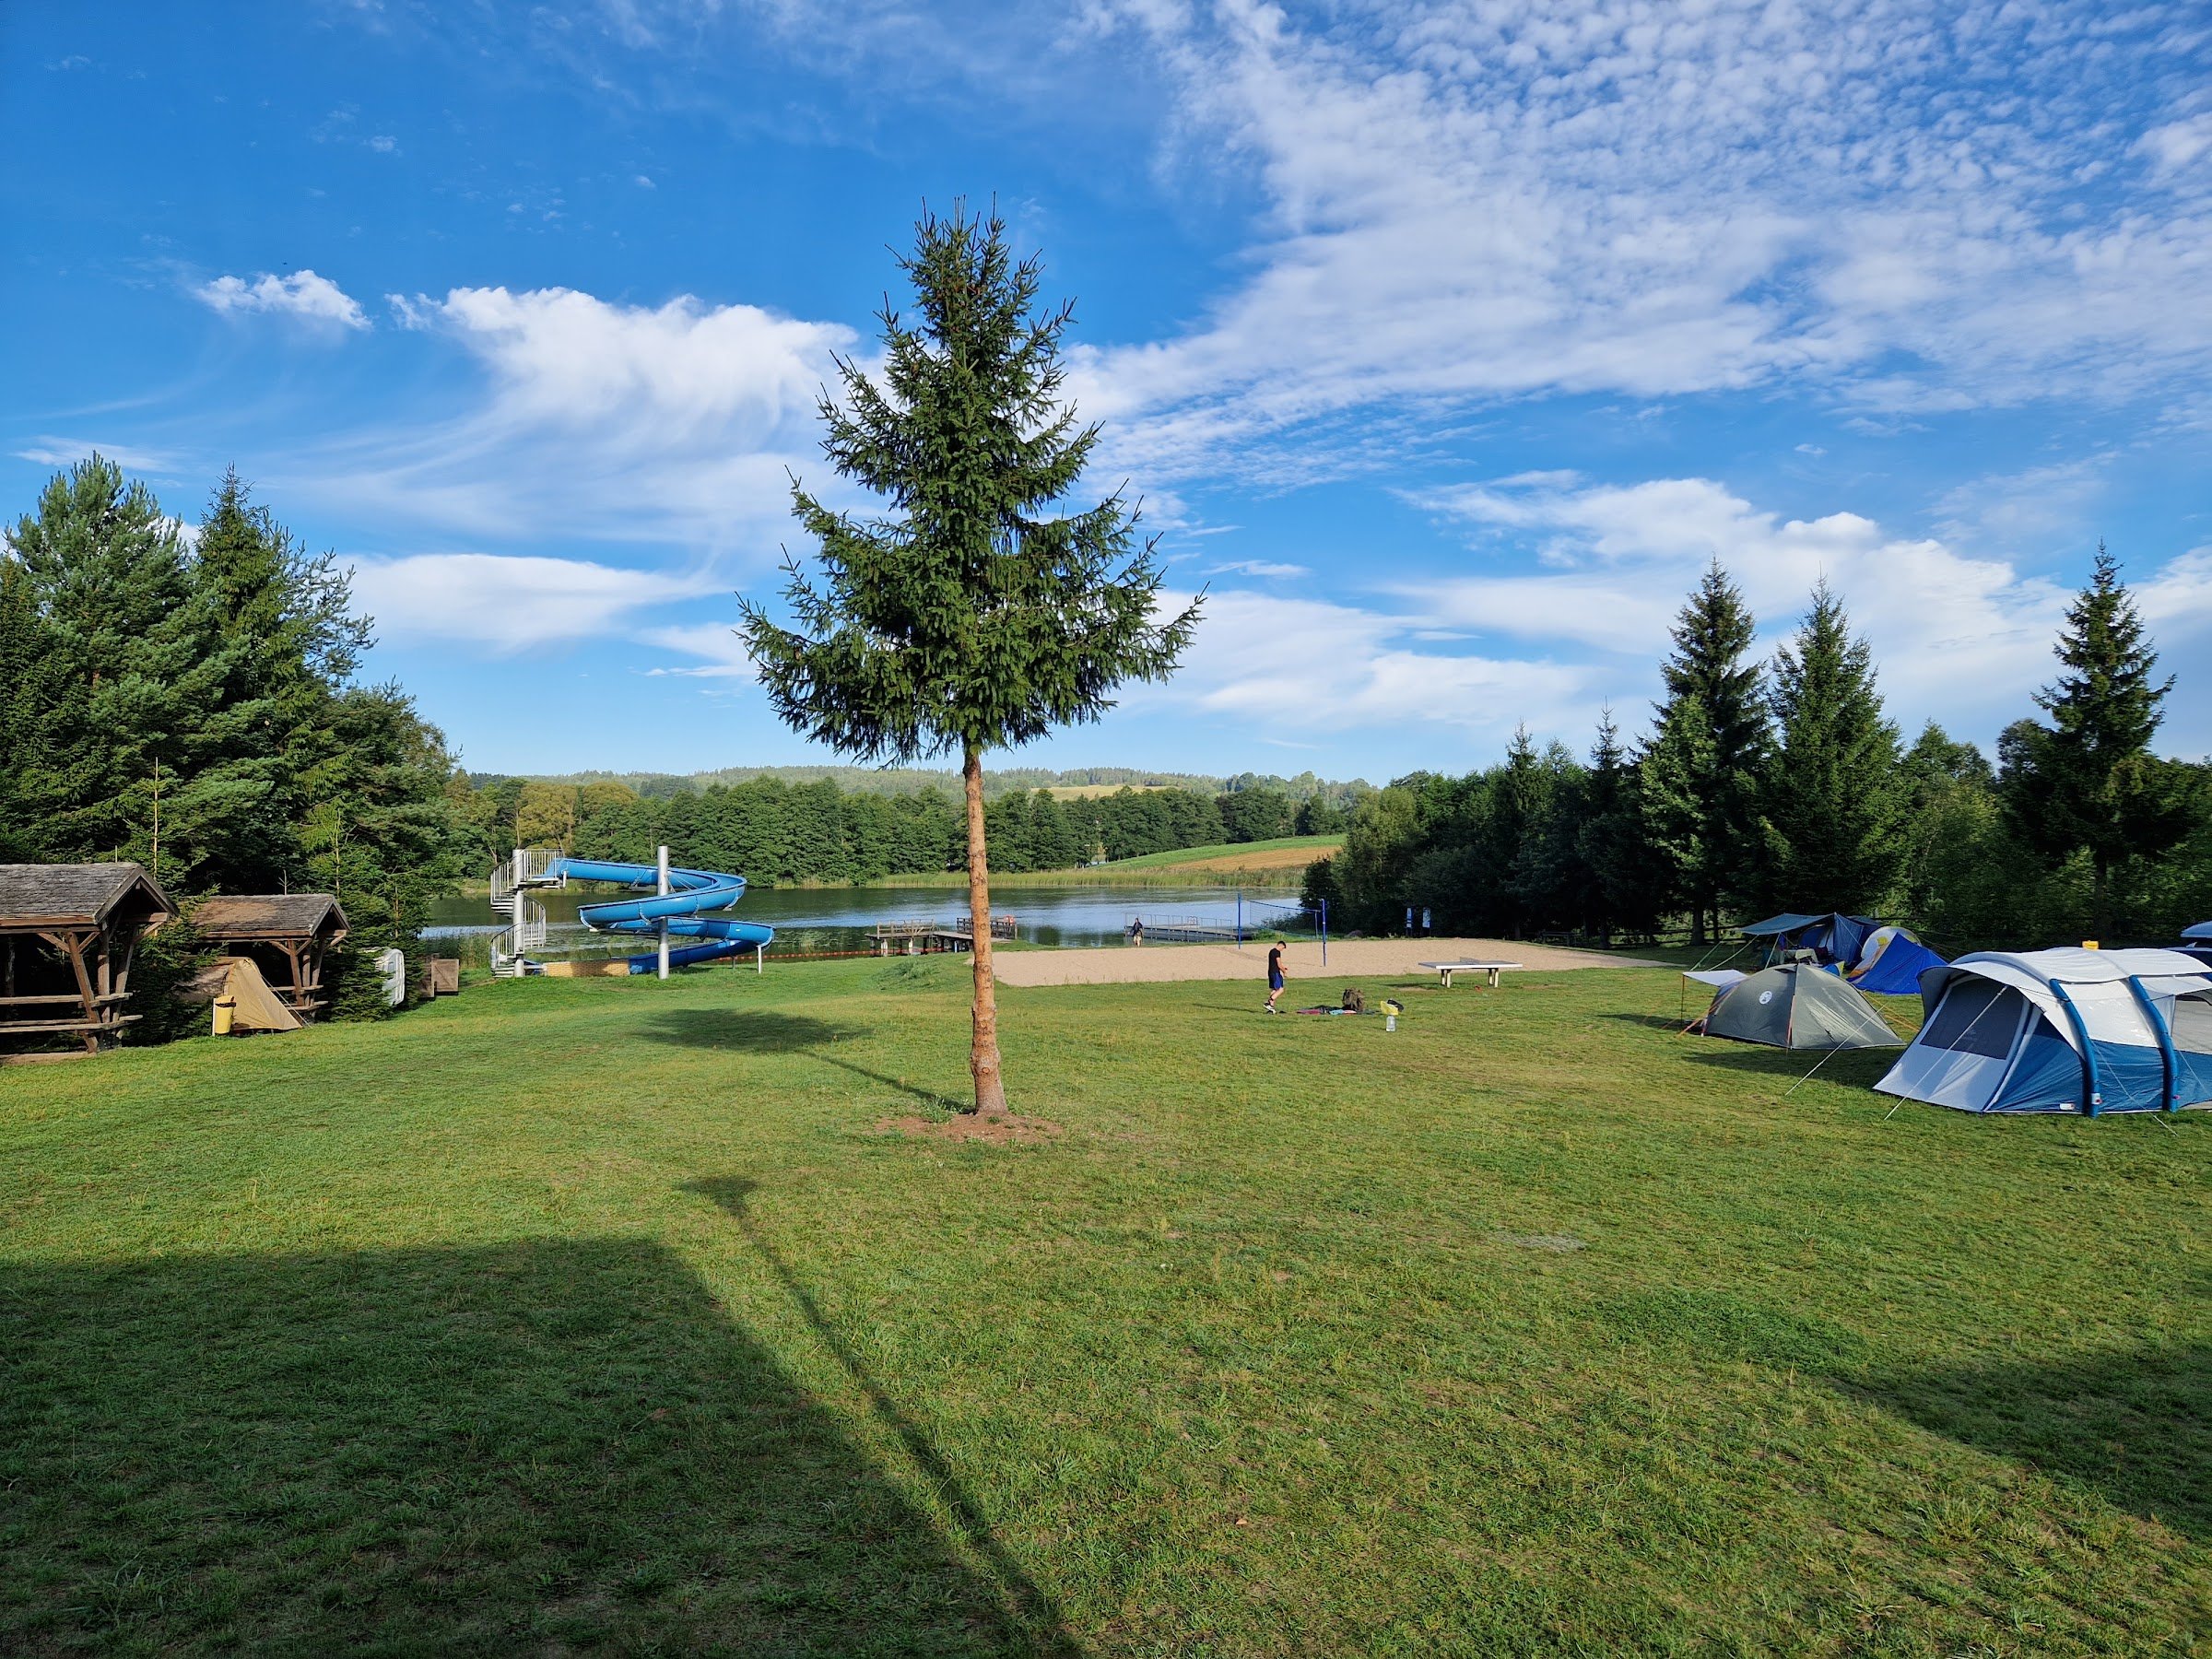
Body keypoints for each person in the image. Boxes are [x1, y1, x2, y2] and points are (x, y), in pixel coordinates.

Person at [1265, 941, 1287, 1013]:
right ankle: (1269, 1002)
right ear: (1280, 945)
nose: (1282, 950)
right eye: (1282, 948)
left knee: (1274, 990)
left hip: (1270, 972)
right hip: (1275, 973)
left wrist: (1283, 968)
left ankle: (1271, 1009)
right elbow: (1279, 964)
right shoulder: (1277, 952)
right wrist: (1284, 971)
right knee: (1280, 989)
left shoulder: (1271, 951)